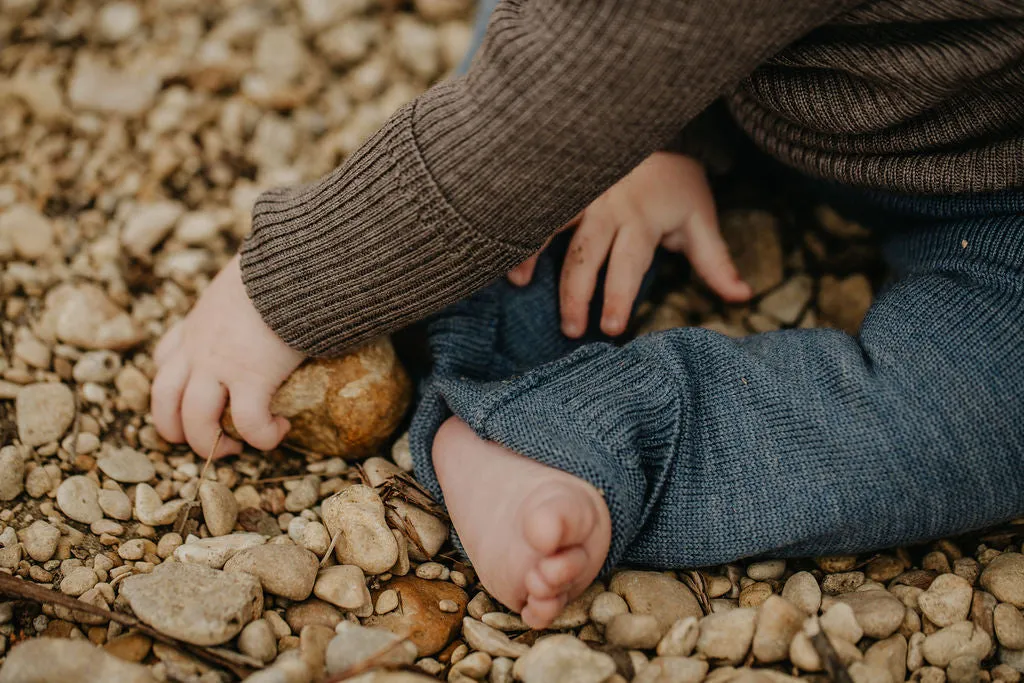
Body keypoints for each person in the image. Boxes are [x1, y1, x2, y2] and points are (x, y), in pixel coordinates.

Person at [153, 0, 1024, 629]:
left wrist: (284, 289)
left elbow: (551, 100)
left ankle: (592, 433)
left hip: (993, 171)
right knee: (543, 147)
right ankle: (489, 391)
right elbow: (550, 85)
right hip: (684, 67)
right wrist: (667, 130)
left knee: (981, 396)